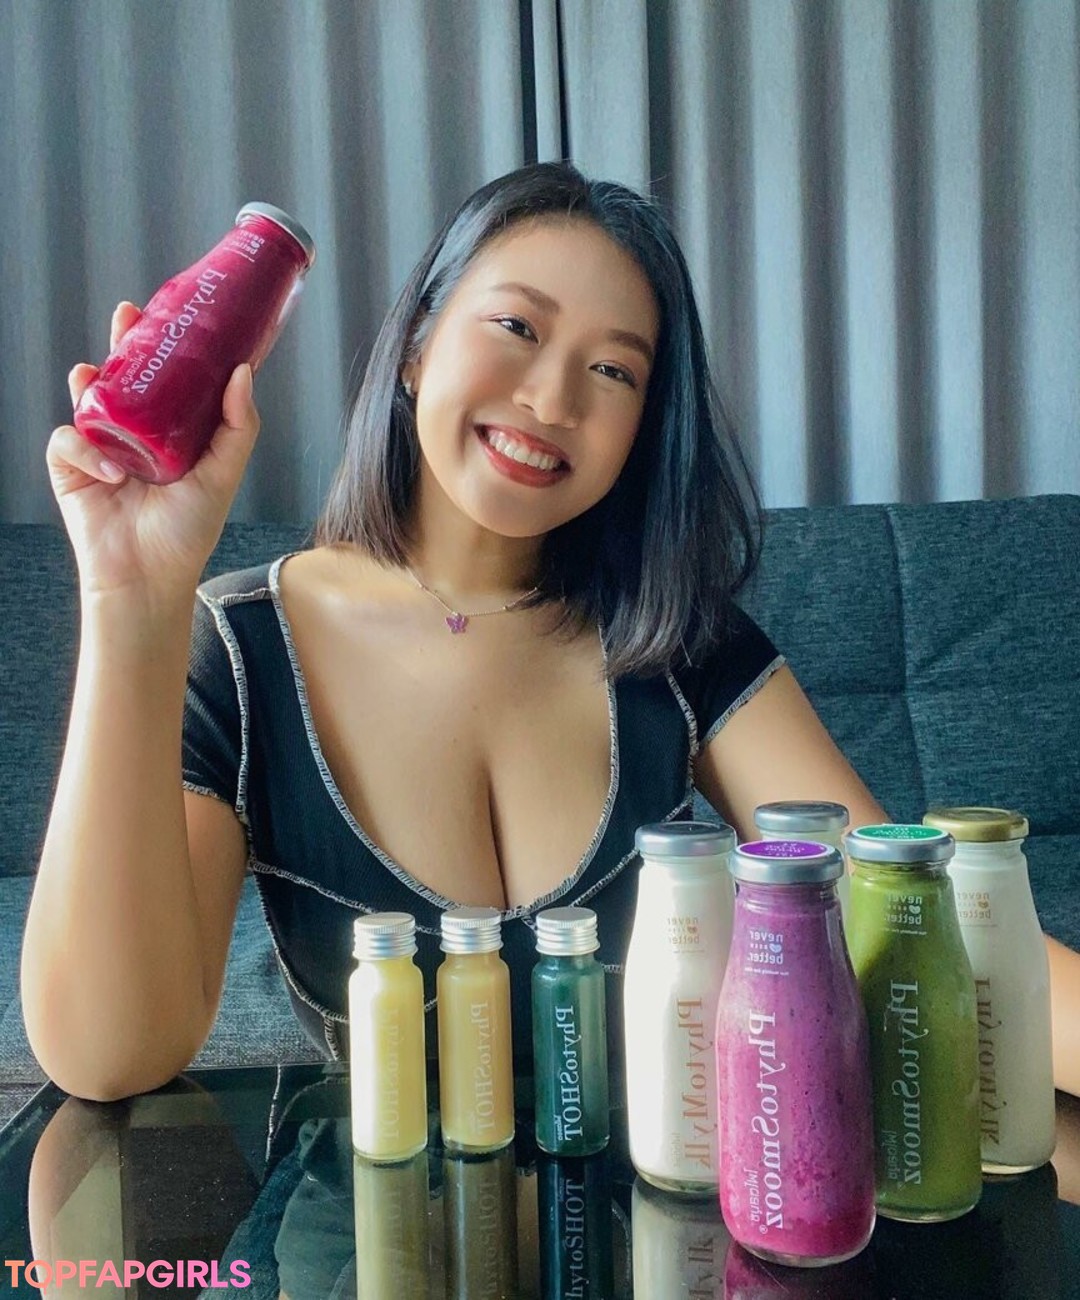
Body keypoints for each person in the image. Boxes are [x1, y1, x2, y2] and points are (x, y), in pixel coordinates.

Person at [23, 161, 1080, 1101]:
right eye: (518, 329)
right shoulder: (243, 647)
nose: (551, 397)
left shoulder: (680, 641)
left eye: (614, 371)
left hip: (658, 1218)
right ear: (416, 346)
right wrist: (131, 599)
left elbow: (912, 929)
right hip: (373, 1224)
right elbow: (111, 1055)